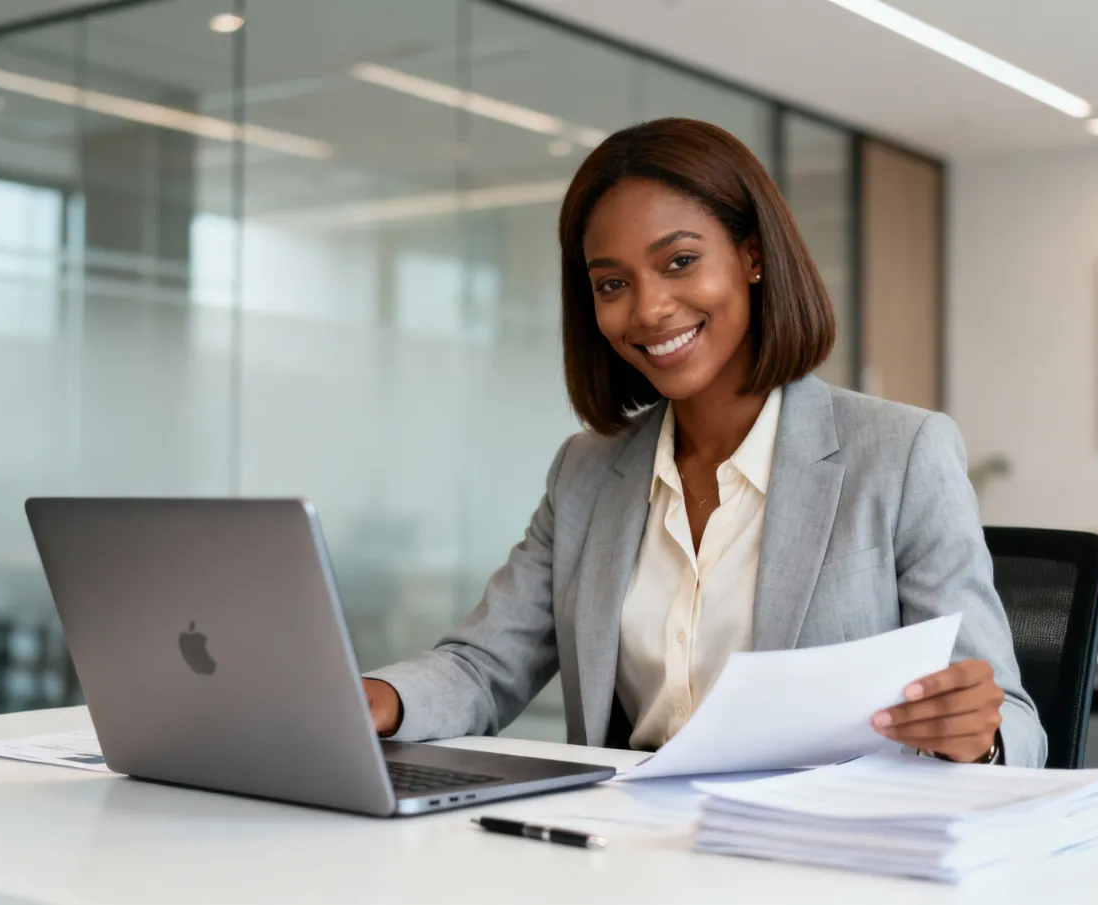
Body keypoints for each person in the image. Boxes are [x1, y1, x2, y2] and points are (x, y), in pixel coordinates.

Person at [362, 117, 1045, 767]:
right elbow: (483, 666)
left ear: (751, 255)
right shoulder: (585, 474)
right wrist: (377, 700)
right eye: (611, 283)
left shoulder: (903, 452)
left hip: (821, 858)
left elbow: (1010, 716)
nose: (649, 308)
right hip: (626, 849)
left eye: (680, 261)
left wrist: (976, 737)